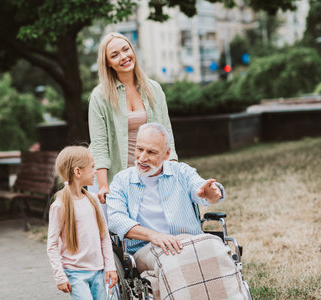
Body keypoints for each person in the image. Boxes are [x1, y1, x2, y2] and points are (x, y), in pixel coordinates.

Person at [107, 123, 247, 300]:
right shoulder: (121, 181)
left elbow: (202, 190)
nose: (142, 158)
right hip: (147, 248)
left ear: (166, 154)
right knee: (173, 259)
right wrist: (154, 236)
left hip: (191, 240)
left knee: (217, 248)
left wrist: (212, 194)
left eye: (151, 152)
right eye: (139, 149)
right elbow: (116, 219)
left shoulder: (182, 172)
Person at [88, 32, 178, 205]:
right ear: (108, 63)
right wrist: (103, 185)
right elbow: (99, 145)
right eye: (114, 55)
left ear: (132, 50)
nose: (123, 57)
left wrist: (173, 171)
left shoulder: (154, 89)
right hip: (116, 177)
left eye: (125, 49)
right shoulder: (99, 96)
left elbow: (167, 135)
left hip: (149, 174)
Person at [46, 146, 118, 299]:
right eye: (92, 167)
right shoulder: (59, 206)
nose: (96, 171)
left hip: (99, 271)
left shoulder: (93, 201)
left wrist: (110, 267)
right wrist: (60, 276)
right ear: (78, 172)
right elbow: (52, 245)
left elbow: (104, 237)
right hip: (75, 274)